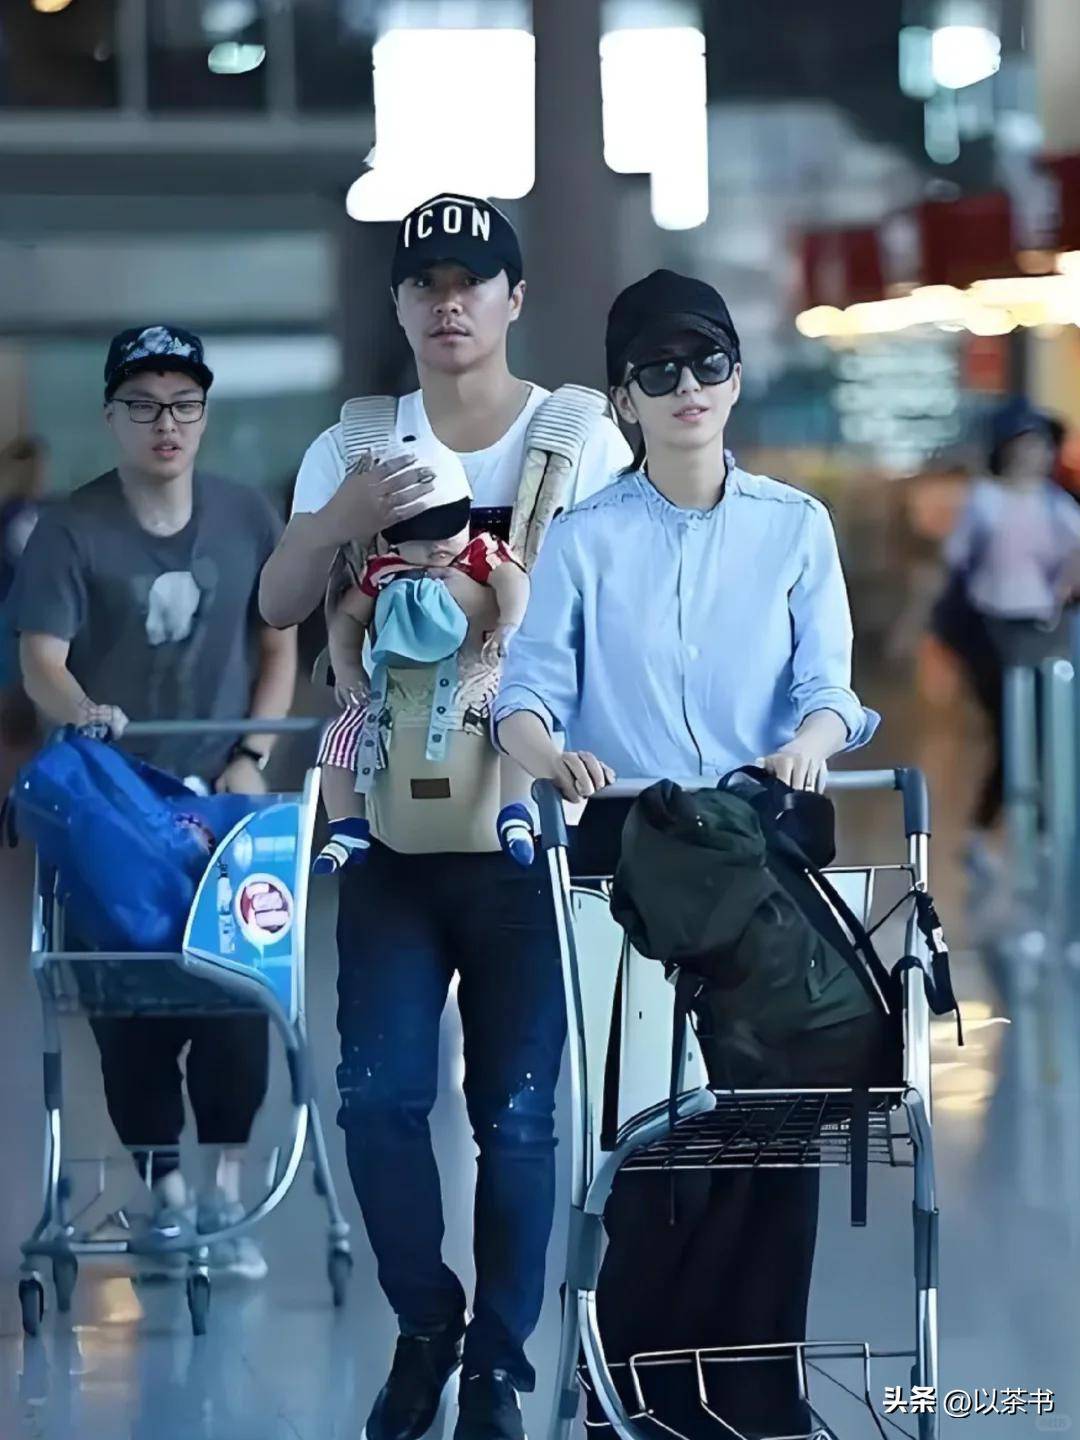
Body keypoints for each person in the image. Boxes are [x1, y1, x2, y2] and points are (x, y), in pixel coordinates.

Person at [261, 193, 631, 1440]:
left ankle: (497, 1365)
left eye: (473, 282)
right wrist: (341, 523)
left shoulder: (581, 441)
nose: (450, 303)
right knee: (376, 1099)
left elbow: (617, 617)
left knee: (519, 1115)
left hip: (528, 834)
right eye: (426, 284)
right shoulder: (356, 445)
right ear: (400, 306)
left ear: (514, 299)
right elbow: (279, 600)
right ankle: (426, 1321)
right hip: (392, 837)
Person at [495, 270, 880, 1439]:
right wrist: (549, 755)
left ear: (736, 378)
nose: (687, 387)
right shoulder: (584, 541)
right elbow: (524, 695)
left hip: (767, 855)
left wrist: (811, 743)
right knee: (658, 1137)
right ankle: (642, 1396)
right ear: (624, 399)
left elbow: (831, 687)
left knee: (775, 1135)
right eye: (657, 370)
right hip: (633, 869)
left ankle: (755, 1394)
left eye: (707, 362)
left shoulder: (793, 525)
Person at [9, 324, 298, 1280]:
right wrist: (83, 714)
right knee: (127, 1003)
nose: (164, 423)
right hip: (112, 808)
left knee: (237, 996)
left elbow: (277, 645)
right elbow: (40, 659)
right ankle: (165, 1197)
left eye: (182, 404)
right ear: (110, 416)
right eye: (142, 405)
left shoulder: (245, 516)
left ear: (204, 415)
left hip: (221, 804)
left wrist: (251, 753)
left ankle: (225, 1198)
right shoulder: (71, 529)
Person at [313, 438, 534, 875]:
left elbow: (515, 581)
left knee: (517, 721)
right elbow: (348, 617)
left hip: (478, 683)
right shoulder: (384, 569)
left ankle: (516, 812)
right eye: (420, 536)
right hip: (396, 694)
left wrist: (507, 625)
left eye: (445, 529)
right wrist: (347, 668)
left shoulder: (479, 553)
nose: (436, 547)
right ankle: (346, 825)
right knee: (338, 737)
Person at [932, 399, 1080, 873]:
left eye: (1040, 445)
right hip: (991, 629)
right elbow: (957, 562)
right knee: (1012, 732)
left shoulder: (1056, 503)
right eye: (1024, 445)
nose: (1033, 455)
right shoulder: (985, 500)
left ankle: (1041, 834)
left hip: (1043, 626)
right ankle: (985, 833)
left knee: (1045, 732)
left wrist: (1063, 585)